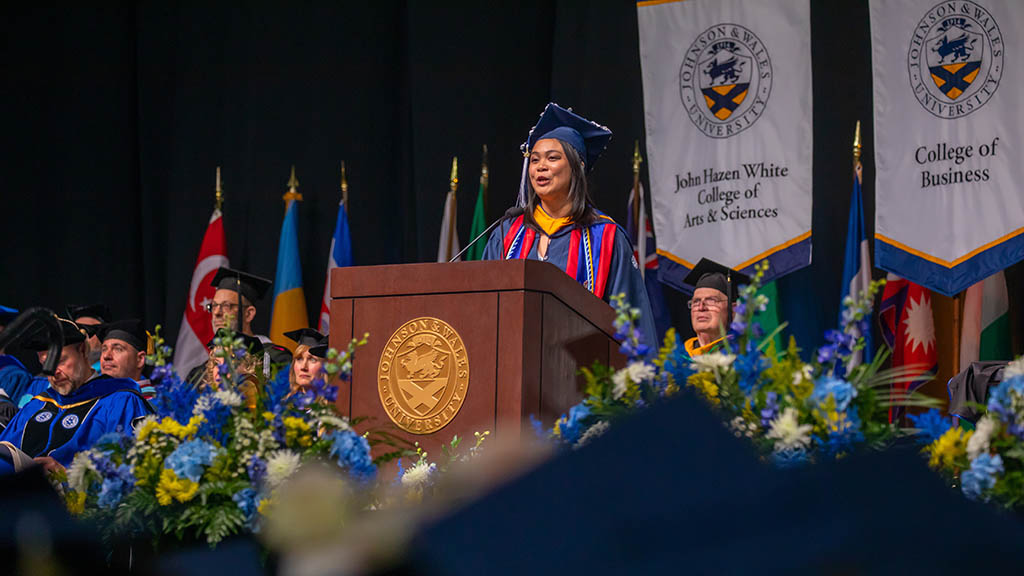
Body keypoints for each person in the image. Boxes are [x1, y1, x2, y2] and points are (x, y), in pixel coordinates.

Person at [482, 103, 656, 349]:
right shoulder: (507, 234)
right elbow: (484, 307)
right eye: (534, 160)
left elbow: (631, 319)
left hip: (581, 373)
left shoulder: (605, 237)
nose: (540, 166)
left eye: (553, 158)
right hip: (510, 366)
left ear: (578, 167)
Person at [0, 318, 152, 475]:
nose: (53, 372)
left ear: (82, 350)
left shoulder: (120, 401)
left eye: (60, 361)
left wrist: (66, 474)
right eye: (46, 365)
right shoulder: (36, 405)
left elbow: (134, 470)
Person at [186, 267, 290, 384]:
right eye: (214, 306)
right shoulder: (199, 373)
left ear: (248, 314)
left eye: (226, 306)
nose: (216, 313)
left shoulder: (275, 359)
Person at [681, 258, 750, 357]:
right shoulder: (678, 361)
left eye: (711, 301)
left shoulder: (746, 358)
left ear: (733, 309)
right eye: (696, 302)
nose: (701, 307)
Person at [97, 319, 156, 400]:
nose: (106, 356)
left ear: (140, 359)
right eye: (104, 349)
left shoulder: (155, 404)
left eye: (118, 349)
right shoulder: (94, 399)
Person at [66, 303, 110, 372]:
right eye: (78, 330)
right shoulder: (58, 375)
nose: (83, 335)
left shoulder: (113, 375)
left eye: (90, 330)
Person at [284, 328, 327, 394]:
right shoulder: (286, 402)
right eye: (299, 359)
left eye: (312, 360)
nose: (303, 367)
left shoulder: (334, 403)